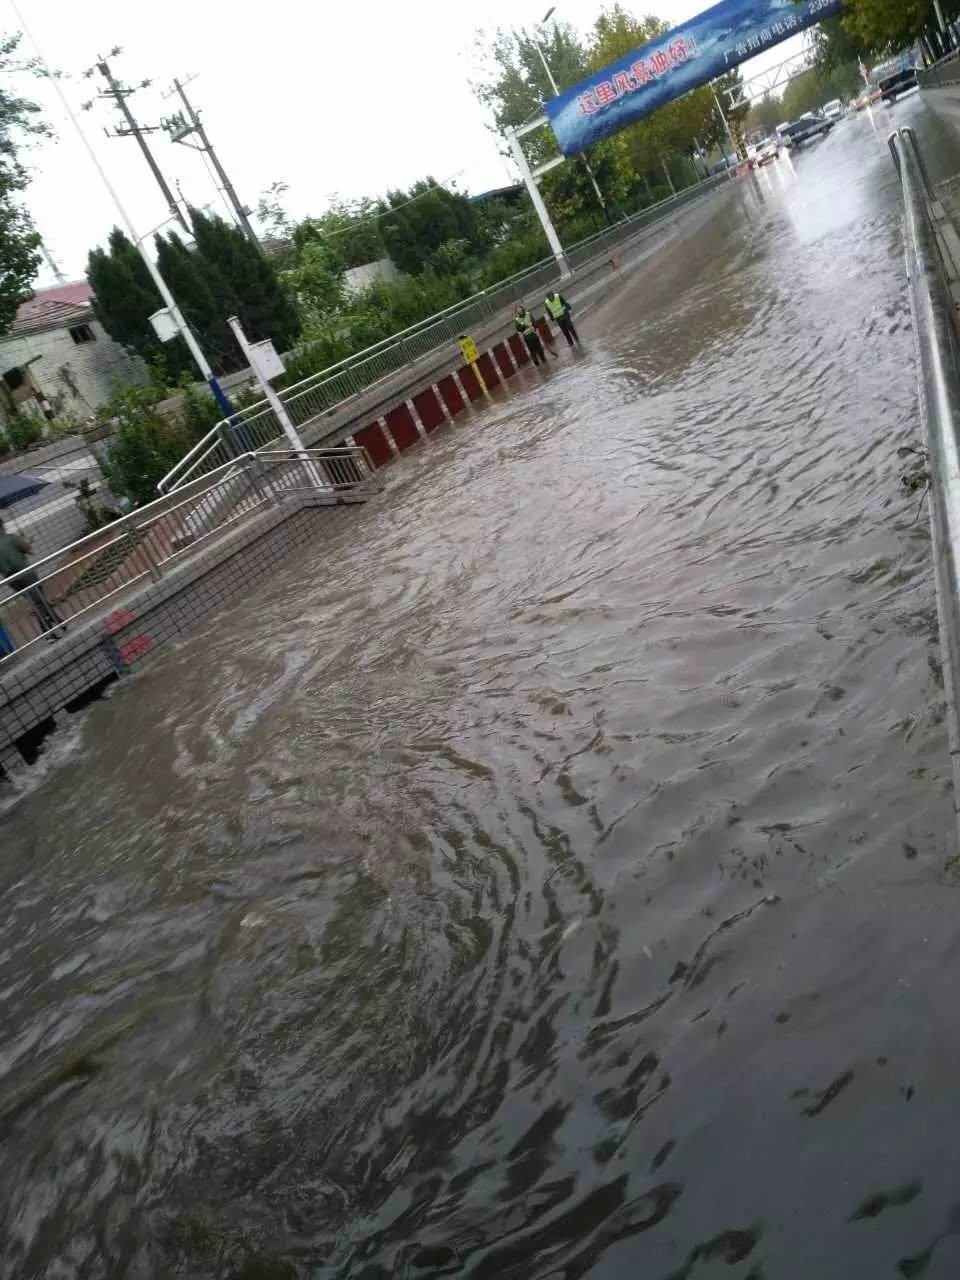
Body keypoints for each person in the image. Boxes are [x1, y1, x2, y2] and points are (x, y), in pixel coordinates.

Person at [0, 517, 63, 641]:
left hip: (12, 580)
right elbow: (29, 550)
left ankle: (58, 621)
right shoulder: (10, 538)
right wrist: (27, 542)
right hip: (26, 574)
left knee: (37, 600)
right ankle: (48, 633)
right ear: (1, 525)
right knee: (38, 602)